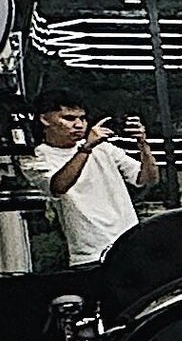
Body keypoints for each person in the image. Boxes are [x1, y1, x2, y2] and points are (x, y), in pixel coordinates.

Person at [25, 89, 151, 267]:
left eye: (82, 119)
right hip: (89, 255)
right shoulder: (36, 157)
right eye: (69, 118)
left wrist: (143, 144)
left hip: (130, 244)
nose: (79, 125)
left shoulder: (103, 148)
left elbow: (145, 179)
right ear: (45, 119)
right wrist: (86, 148)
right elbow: (58, 186)